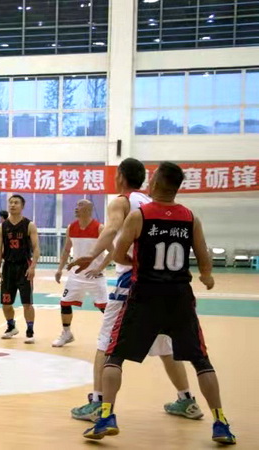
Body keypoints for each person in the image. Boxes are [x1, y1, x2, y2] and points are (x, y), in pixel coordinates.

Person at [83, 162, 236, 445]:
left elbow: (118, 254)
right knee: (201, 360)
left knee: (114, 355)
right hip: (179, 297)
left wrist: (135, 263)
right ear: (176, 188)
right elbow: (204, 258)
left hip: (144, 296)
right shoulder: (190, 218)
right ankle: (220, 422)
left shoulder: (139, 216)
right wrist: (206, 276)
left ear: (154, 184)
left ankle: (106, 416)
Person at [67, 158, 199, 422]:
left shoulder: (122, 201)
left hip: (132, 281)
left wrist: (92, 254)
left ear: (120, 176)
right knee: (165, 345)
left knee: (106, 343)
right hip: (161, 284)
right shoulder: (150, 203)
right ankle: (187, 400)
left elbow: (112, 229)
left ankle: (98, 403)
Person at [52, 199, 111, 347]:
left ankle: (111, 335)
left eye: (80, 205)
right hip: (76, 276)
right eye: (76, 205)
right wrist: (59, 269)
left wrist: (99, 268)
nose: (76, 208)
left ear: (89, 210)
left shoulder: (99, 228)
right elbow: (67, 250)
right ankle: (67, 333)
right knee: (65, 303)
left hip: (95, 276)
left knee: (105, 308)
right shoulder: (71, 227)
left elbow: (113, 251)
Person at [0, 195, 39, 343]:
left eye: (16, 203)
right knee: (6, 303)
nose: (12, 205)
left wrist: (33, 267)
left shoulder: (29, 225)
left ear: (22, 206)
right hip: (8, 267)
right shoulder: (2, 227)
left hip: (24, 267)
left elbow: (36, 248)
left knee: (27, 303)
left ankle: (30, 331)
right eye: (11, 202)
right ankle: (11, 326)